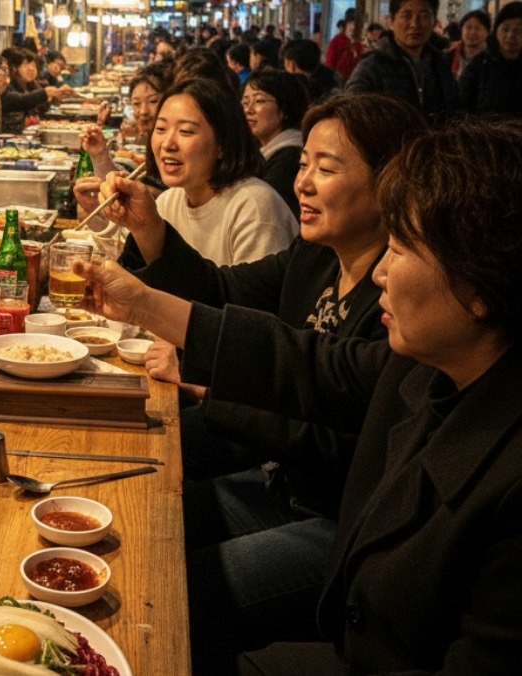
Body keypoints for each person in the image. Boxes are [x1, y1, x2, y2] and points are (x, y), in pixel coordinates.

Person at [84, 113, 522, 676]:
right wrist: (143, 302)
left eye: (403, 248)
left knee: (164, 597)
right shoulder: (420, 366)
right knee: (136, 526)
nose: (383, 273)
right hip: (289, 493)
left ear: (480, 285)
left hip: (329, 528)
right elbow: (299, 357)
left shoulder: (489, 440)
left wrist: (202, 386)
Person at [85, 78, 297, 267]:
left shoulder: (254, 207)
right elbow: (141, 271)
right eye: (161, 129)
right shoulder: (169, 201)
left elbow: (246, 301)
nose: (167, 144)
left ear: (222, 144)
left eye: (185, 131)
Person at [346, 0, 458, 122]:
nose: (415, 24)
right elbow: (351, 116)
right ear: (391, 22)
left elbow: (454, 113)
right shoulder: (371, 67)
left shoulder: (441, 65)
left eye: (424, 16)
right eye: (406, 16)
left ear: (434, 22)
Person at [242, 71, 310, 217]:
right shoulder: (258, 151)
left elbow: (261, 209)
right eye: (245, 102)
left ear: (284, 110)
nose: (248, 109)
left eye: (259, 101)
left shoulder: (290, 158)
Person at [459, 2, 522, 116]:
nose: (510, 36)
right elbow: (462, 103)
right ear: (496, 31)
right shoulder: (479, 64)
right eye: (505, 29)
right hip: (484, 126)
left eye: (518, 30)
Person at [0, 47, 73, 134]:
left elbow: (42, 111)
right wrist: (46, 93)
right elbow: (22, 100)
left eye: (33, 65)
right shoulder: (6, 87)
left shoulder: (32, 86)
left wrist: (55, 99)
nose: (31, 69)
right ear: (14, 68)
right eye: (26, 64)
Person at [448, 10, 491, 78]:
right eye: (468, 27)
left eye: (477, 28)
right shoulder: (450, 56)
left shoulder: (493, 58)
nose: (472, 32)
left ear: (487, 32)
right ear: (461, 30)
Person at [323, 10, 363, 82]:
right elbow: (329, 65)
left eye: (356, 25)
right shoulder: (336, 42)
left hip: (354, 83)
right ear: (345, 25)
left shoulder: (358, 45)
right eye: (350, 24)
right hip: (338, 83)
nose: (353, 27)